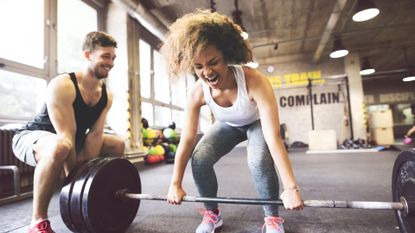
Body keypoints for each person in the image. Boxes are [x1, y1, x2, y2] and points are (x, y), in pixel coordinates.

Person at [160, 10, 303, 233]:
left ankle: (272, 218)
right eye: (198, 66)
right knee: (200, 158)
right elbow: (187, 140)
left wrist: (291, 187)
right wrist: (175, 184)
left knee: (258, 160)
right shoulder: (197, 93)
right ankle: (212, 215)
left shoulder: (254, 81)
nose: (207, 72)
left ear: (227, 55)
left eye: (213, 62)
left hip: (256, 123)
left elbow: (274, 138)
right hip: (228, 125)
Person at [12, 31, 125, 233]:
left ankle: (98, 199)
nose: (110, 62)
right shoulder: (63, 85)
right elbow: (66, 135)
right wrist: (73, 184)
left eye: (113, 57)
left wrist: (86, 189)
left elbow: (95, 135)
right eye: (105, 56)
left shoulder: (106, 95)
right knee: (60, 146)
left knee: (117, 144)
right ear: (88, 55)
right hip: (33, 137)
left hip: (72, 139)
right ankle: (38, 222)